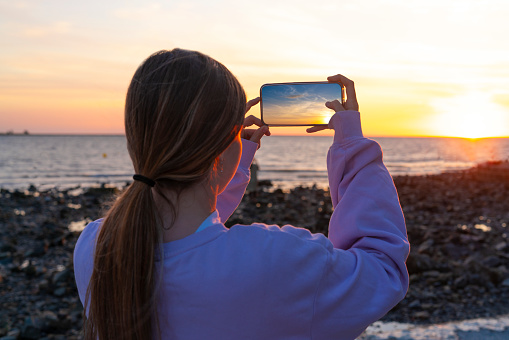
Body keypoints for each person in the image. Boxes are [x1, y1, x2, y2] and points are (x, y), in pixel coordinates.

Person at [73, 48, 409, 340]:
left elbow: (188, 236)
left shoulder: (96, 247)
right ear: (220, 148)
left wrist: (232, 155)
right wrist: (351, 142)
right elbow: (382, 269)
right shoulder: (277, 263)